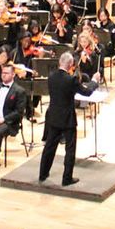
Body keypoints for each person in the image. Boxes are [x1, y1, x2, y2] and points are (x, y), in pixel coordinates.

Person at [39, 52, 96, 185]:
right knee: (70, 149)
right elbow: (86, 92)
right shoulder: (71, 80)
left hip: (53, 116)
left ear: (60, 62)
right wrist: (94, 81)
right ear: (71, 65)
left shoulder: (51, 77)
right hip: (67, 119)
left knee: (49, 147)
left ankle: (43, 174)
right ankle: (66, 178)